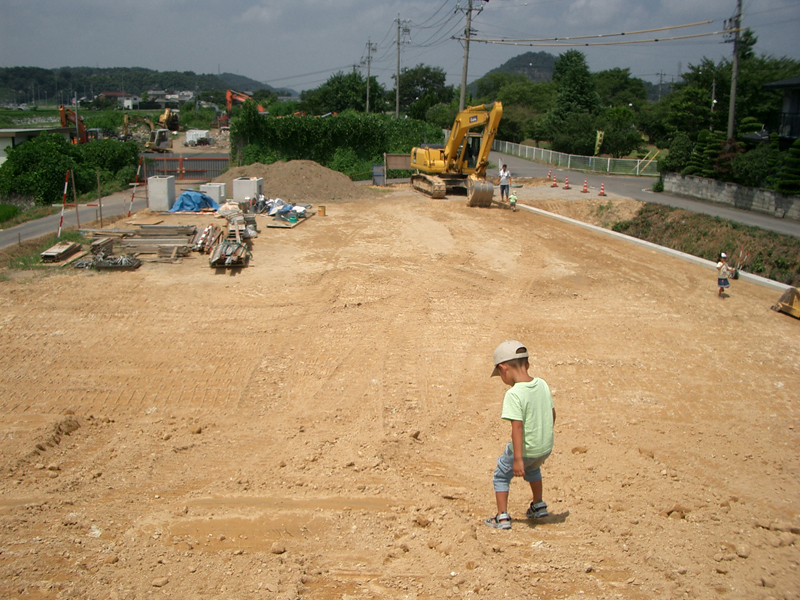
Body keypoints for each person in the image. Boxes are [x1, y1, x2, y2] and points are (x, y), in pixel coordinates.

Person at [485, 340, 556, 530]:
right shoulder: (542, 384)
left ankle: (502, 517)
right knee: (533, 469)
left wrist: (517, 459)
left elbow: (517, 428)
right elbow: (552, 413)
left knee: (501, 475)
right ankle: (538, 505)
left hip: (525, 451)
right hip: (544, 448)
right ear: (527, 365)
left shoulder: (514, 394)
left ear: (503, 368)